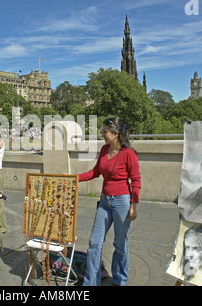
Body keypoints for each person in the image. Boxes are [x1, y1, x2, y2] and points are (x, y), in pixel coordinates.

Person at [77, 117, 141, 286]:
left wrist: (133, 206)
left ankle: (120, 280)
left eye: (105, 131)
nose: (102, 134)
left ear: (115, 133)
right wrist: (74, 178)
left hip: (122, 202)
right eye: (102, 131)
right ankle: (91, 283)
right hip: (105, 202)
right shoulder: (105, 149)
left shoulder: (129, 154)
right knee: (94, 243)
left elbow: (136, 181)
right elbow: (95, 172)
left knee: (120, 243)